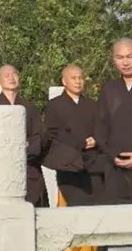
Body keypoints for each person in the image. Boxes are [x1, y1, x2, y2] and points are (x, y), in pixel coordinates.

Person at [95, 38, 132, 204]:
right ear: (113, 59)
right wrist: (112, 155)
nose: (125, 62)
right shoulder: (109, 89)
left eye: (130, 56)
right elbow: (100, 127)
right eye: (120, 57)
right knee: (117, 212)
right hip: (116, 164)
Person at [0, 64, 47, 206]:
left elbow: (40, 136)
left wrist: (25, 147)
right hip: (1, 171)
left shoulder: (29, 107)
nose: (11, 78)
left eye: (14, 74)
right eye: (6, 75)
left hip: (27, 168)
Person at [43, 64, 104, 206]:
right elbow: (52, 134)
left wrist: (96, 139)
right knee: (77, 206)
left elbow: (102, 128)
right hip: (69, 165)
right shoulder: (55, 105)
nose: (78, 81)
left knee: (99, 206)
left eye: (80, 78)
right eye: (73, 78)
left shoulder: (92, 105)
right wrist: (79, 142)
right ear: (64, 81)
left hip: (93, 165)